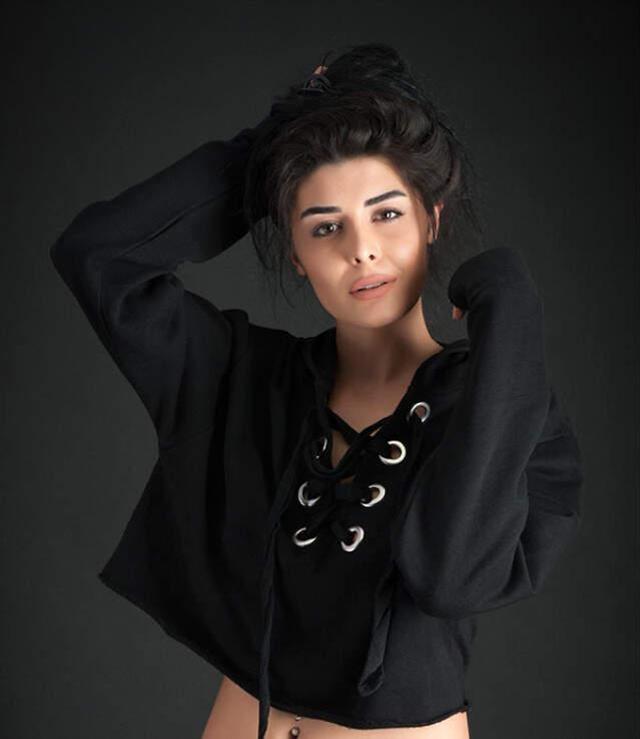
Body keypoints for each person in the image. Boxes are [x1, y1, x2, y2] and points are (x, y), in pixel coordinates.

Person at [49, 43, 583, 739]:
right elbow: (98, 257)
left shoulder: (495, 402)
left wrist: (509, 312)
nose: (361, 249)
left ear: (431, 220)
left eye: (386, 214)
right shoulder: (243, 378)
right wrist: (271, 144)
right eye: (326, 227)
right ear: (297, 255)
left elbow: (453, 578)